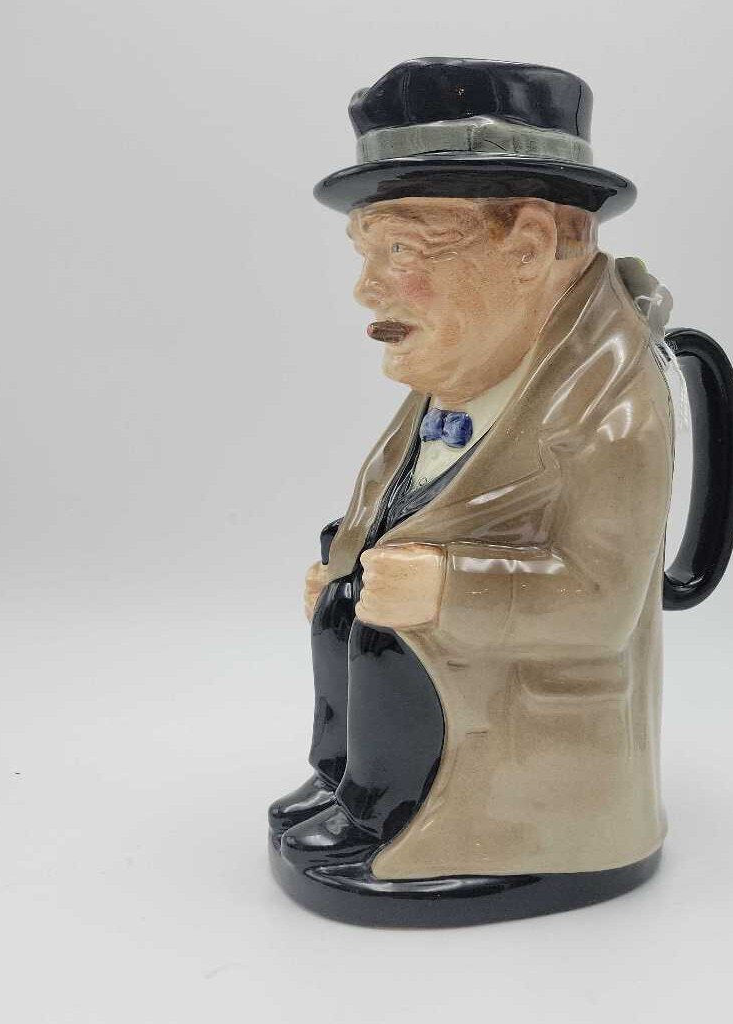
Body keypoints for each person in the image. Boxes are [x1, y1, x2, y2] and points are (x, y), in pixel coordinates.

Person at [268, 58, 677, 921]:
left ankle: (386, 815)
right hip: (446, 690)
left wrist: (449, 589)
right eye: (367, 252)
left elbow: (604, 605)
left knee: (389, 635)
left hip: (527, 747)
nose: (366, 289)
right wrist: (345, 564)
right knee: (345, 608)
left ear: (529, 247)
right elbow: (410, 494)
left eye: (402, 251)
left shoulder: (610, 408)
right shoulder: (469, 359)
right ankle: (345, 782)